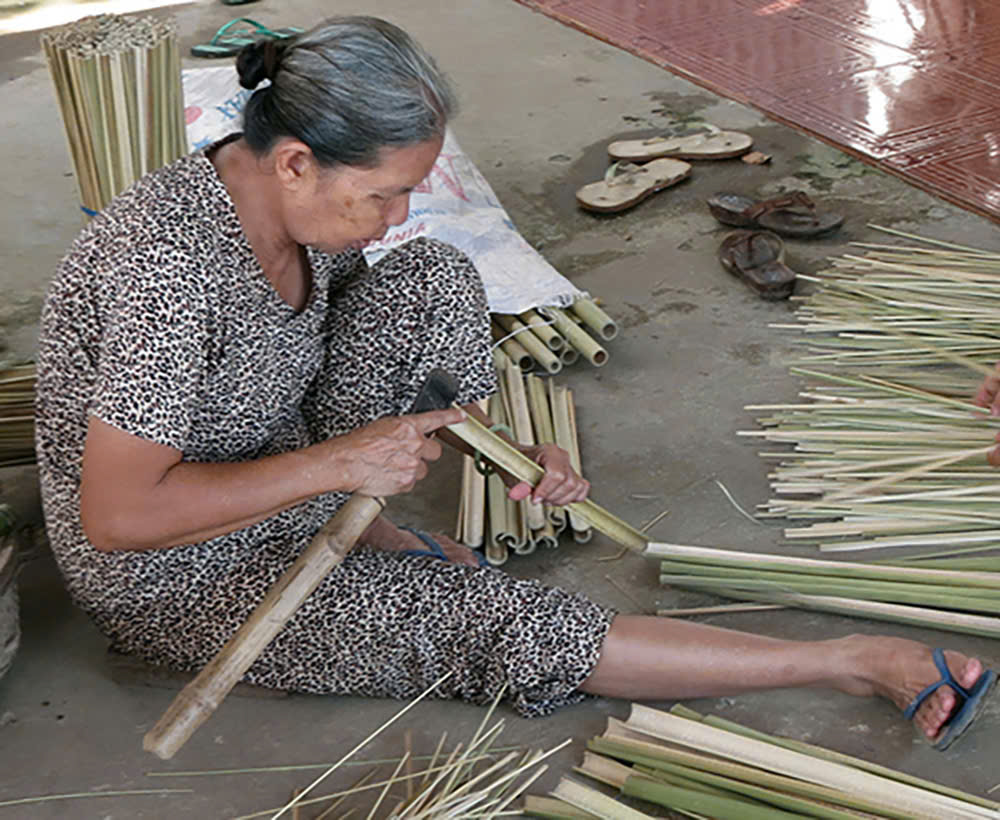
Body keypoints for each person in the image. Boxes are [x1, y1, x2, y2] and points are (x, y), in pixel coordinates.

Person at [35, 16, 988, 744]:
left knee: (435, 275)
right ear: (294, 161)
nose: (394, 214)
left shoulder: (292, 212)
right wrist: (337, 467)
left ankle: (379, 534)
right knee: (484, 617)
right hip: (182, 568)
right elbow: (117, 520)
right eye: (382, 193)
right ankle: (853, 662)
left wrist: (493, 448)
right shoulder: (167, 270)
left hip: (286, 468)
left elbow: (381, 351)